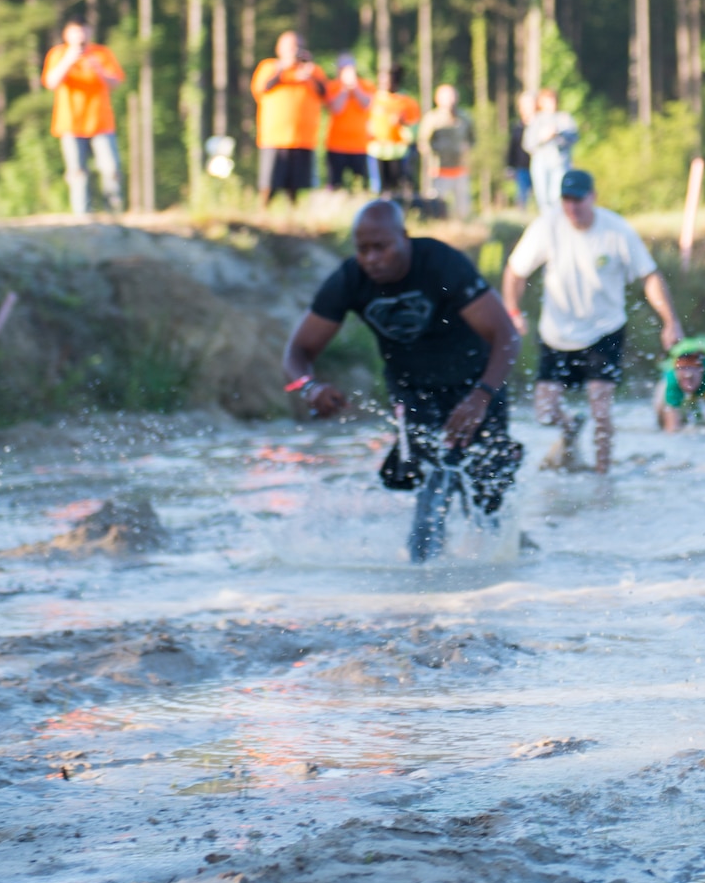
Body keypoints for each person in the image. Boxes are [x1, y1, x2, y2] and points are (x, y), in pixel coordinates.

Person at [282, 200, 523, 562]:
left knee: (488, 493)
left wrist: (481, 397)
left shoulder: (441, 264)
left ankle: (502, 564)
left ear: (404, 238)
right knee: (432, 479)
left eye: (382, 247)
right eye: (363, 249)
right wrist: (309, 388)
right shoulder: (350, 280)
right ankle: (422, 580)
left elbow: (506, 335)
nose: (372, 258)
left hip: (476, 384)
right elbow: (296, 352)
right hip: (414, 393)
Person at [502, 169, 684, 474]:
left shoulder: (616, 230)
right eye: (566, 200)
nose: (572, 207)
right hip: (556, 334)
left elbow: (649, 276)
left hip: (604, 331)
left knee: (601, 409)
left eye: (578, 200)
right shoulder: (547, 226)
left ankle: (603, 478)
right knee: (545, 412)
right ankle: (571, 424)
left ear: (593, 197)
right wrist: (513, 312)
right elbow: (514, 272)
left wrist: (671, 322)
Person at [41, 22, 125, 215]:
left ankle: (113, 213)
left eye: (83, 32)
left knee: (111, 168)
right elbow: (51, 82)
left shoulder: (101, 53)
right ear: (66, 34)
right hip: (70, 123)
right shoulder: (58, 54)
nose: (80, 38)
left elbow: (116, 81)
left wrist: (99, 70)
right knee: (77, 172)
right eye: (76, 33)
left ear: (89, 32)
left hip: (101, 123)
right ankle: (82, 215)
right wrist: (69, 60)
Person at [252, 31, 327, 208]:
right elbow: (263, 88)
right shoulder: (270, 67)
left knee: (296, 185)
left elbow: (325, 93)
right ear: (280, 48)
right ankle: (262, 213)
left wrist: (309, 74)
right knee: (270, 182)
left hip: (303, 139)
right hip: (275, 137)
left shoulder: (312, 70)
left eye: (299, 46)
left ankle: (293, 217)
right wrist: (284, 67)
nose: (296, 50)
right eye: (292, 46)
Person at [421, 84, 474, 220]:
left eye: (453, 96)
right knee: (437, 205)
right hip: (438, 170)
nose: (451, 100)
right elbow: (423, 142)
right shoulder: (432, 118)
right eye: (447, 97)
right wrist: (436, 151)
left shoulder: (464, 117)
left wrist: (467, 147)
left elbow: (473, 139)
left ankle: (462, 228)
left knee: (462, 207)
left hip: (460, 168)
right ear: (438, 99)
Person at [368, 67, 421, 199]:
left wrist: (402, 123)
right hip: (378, 150)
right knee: (380, 189)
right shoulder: (375, 99)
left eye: (387, 81)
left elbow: (415, 129)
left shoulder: (407, 102)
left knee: (399, 187)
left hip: (399, 151)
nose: (384, 84)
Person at [324, 55, 376, 191]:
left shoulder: (366, 85)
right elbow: (336, 108)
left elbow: (367, 104)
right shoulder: (333, 86)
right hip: (336, 144)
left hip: (359, 144)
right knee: (335, 183)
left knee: (362, 184)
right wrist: (345, 89)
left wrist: (355, 87)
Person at [523, 89, 578, 214]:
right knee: (543, 196)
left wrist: (558, 134)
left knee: (557, 195)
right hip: (541, 162)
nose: (551, 103)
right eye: (548, 100)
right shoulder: (536, 120)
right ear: (542, 103)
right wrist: (542, 138)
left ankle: (558, 220)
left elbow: (574, 138)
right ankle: (546, 223)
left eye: (553, 100)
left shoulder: (564, 118)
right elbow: (528, 144)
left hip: (559, 161)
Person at [506, 90, 536, 209]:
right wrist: (510, 167)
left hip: (538, 165)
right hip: (522, 168)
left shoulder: (539, 123)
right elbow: (512, 148)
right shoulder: (517, 126)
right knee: (522, 198)